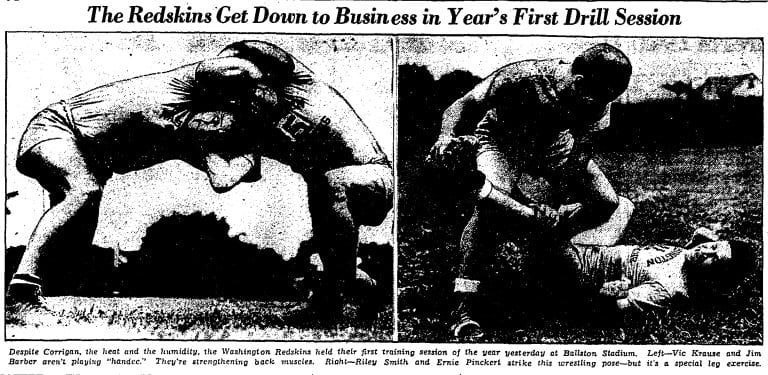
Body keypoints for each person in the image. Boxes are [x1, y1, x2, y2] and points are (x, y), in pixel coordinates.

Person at [6, 45, 296, 309]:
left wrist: (251, 146)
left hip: (80, 154)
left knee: (80, 223)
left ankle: (43, 293)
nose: (218, 124)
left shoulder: (189, 137)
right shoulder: (191, 83)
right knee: (85, 192)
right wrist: (272, 93)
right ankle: (22, 289)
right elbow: (239, 66)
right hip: (57, 129)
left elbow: (224, 179)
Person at [428, 43, 633, 339]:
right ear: (577, 82)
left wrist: (552, 204)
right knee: (488, 206)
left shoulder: (600, 94)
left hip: (553, 143)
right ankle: (464, 303)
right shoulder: (524, 77)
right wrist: (446, 137)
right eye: (595, 98)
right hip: (502, 139)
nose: (600, 107)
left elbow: (581, 151)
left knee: (606, 201)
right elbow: (462, 105)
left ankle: (545, 236)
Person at [178, 41, 394, 318]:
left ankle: (329, 303)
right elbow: (235, 173)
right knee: (327, 243)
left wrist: (226, 59)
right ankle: (361, 290)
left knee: (332, 182)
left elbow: (264, 51)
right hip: (331, 191)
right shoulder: (255, 124)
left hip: (374, 175)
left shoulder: (298, 81)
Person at [565, 230, 753, 315]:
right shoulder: (689, 254)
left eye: (714, 259)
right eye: (712, 247)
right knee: (622, 205)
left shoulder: (667, 289)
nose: (704, 251)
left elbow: (611, 305)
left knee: (544, 224)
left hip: (580, 267)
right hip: (597, 246)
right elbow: (701, 234)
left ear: (715, 277)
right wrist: (712, 241)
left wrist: (608, 291)